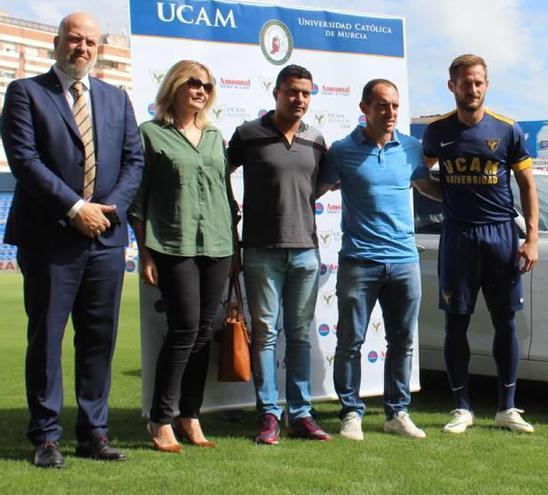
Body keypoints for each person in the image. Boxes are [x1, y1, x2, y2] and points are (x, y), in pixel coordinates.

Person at [0, 12, 144, 467]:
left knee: (99, 339)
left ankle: (93, 433)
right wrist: (75, 208)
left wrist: (108, 211)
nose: (81, 48)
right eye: (74, 40)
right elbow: (24, 159)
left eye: (90, 42)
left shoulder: (117, 99)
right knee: (46, 339)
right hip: (50, 238)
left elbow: (133, 162)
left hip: (105, 237)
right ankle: (45, 436)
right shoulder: (25, 93)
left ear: (98, 49)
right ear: (57, 42)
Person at [421, 54, 539, 434]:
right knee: (457, 322)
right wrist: (451, 196)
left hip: (501, 236)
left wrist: (532, 238)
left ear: (486, 85)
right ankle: (462, 408)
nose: (471, 89)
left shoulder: (508, 130)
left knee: (506, 322)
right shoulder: (437, 131)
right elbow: (423, 179)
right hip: (458, 237)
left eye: (477, 82)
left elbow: (527, 185)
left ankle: (507, 408)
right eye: (464, 82)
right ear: (451, 85)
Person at [317, 79, 441, 441]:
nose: (390, 113)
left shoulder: (411, 148)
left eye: (395, 106)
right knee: (350, 342)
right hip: (359, 261)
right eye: (382, 106)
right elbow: (313, 189)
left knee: (402, 342)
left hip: (404, 261)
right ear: (364, 108)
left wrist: (468, 191)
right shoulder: (342, 151)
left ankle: (397, 413)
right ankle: (350, 413)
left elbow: (427, 187)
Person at [129, 60, 236, 453]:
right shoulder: (151, 134)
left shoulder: (214, 135)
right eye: (193, 82)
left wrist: (235, 249)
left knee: (206, 331)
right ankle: (160, 419)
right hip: (173, 246)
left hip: (219, 245)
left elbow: (226, 196)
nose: (201, 90)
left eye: (207, 85)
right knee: (184, 330)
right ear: (174, 85)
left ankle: (191, 415)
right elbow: (138, 202)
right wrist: (145, 255)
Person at [227, 64, 331, 444]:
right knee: (266, 333)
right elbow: (219, 173)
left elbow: (316, 187)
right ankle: (269, 414)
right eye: (292, 91)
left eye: (305, 93)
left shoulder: (317, 140)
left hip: (305, 251)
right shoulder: (247, 134)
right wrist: (231, 211)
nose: (299, 99)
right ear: (276, 93)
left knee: (300, 335)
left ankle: (300, 414)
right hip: (260, 249)